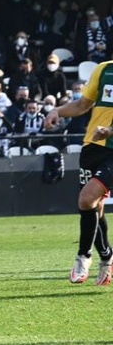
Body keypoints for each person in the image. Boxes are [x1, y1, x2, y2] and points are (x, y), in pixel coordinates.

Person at [44, 59, 113, 286]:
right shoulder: (104, 69)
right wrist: (58, 111)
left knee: (86, 199)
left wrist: (110, 130)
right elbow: (83, 104)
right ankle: (107, 257)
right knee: (95, 207)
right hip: (92, 146)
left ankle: (84, 256)